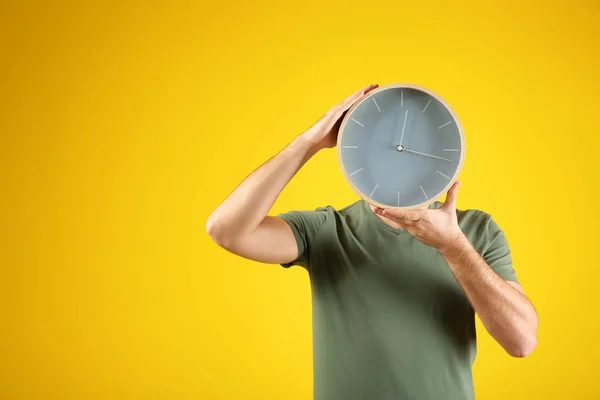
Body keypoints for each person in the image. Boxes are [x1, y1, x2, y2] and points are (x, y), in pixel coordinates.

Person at [206, 84, 539, 400]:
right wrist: (308, 142)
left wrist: (452, 246)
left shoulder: (475, 230)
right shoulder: (326, 229)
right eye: (383, 141)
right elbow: (225, 230)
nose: (400, 151)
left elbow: (521, 341)